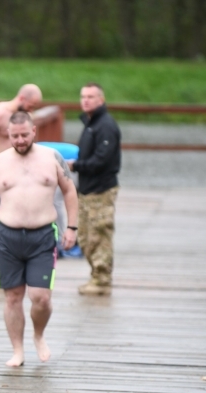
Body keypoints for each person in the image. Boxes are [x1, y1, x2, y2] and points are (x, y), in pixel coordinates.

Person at [0, 110, 78, 367]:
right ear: (8, 135)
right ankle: (17, 350)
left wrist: (72, 228)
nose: (20, 140)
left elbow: (69, 191)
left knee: (40, 297)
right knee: (12, 296)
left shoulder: (52, 158)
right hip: (7, 235)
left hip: (43, 235)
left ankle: (38, 334)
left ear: (34, 132)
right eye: (15, 136)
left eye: (24, 135)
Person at [0, 84, 43, 282]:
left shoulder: (25, 118)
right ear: (22, 98)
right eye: (31, 105)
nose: (32, 110)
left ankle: (6, 260)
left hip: (17, 172)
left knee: (12, 216)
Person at [68, 82, 121, 296]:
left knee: (100, 234)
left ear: (102, 99)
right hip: (87, 189)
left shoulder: (105, 125)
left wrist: (75, 165)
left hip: (101, 190)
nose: (86, 100)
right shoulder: (91, 123)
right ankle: (95, 275)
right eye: (83, 97)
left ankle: (102, 278)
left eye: (91, 96)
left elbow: (102, 160)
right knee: (86, 237)